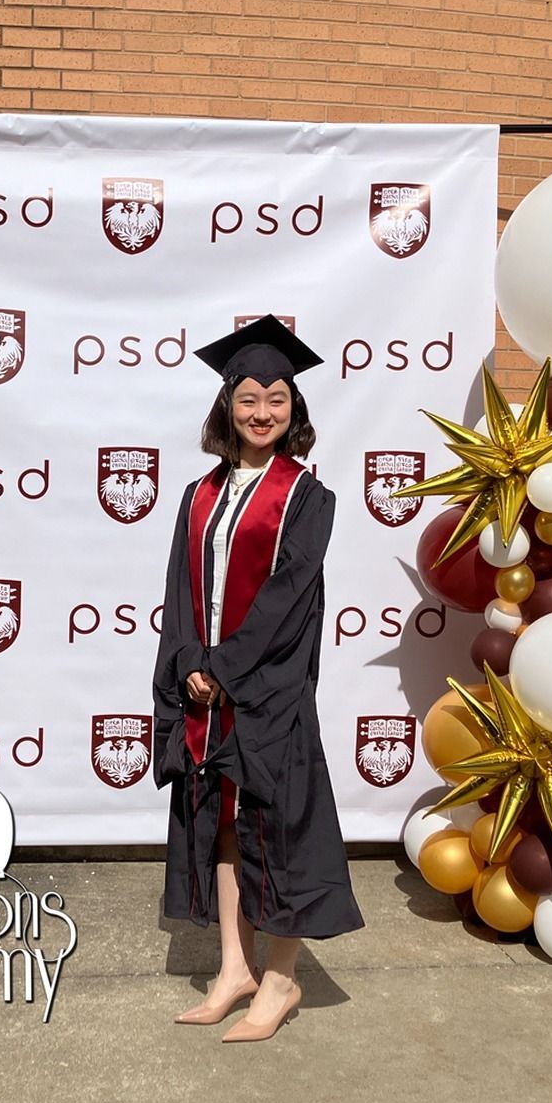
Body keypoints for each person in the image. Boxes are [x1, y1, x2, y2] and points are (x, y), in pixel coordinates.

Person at [152, 314, 364, 1043]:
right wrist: (187, 663)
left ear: (294, 408)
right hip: (207, 692)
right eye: (248, 398)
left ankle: (282, 978)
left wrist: (224, 667)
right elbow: (181, 590)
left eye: (277, 398)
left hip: (265, 692)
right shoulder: (197, 494)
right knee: (222, 827)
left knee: (278, 825)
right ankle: (233, 968)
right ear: (226, 406)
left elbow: (289, 597)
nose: (262, 411)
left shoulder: (307, 498)